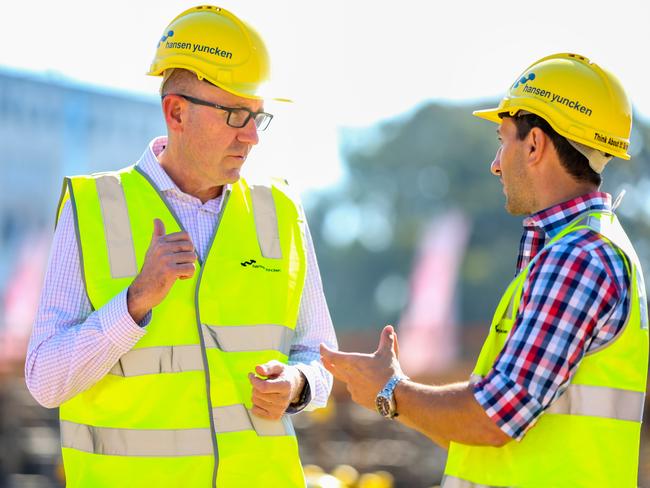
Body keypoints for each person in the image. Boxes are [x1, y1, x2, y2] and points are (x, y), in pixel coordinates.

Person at [25, 5, 337, 487]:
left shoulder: (280, 210)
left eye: (259, 116)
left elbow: (319, 356)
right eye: (236, 114)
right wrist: (133, 304)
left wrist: (298, 385)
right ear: (176, 112)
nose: (252, 136)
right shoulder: (93, 208)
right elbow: (45, 380)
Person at [321, 53, 649, 488]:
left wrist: (390, 392)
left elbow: (496, 415)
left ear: (534, 145)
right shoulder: (581, 251)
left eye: (503, 139)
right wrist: (394, 394)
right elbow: (487, 430)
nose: (496, 163)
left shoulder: (578, 258)